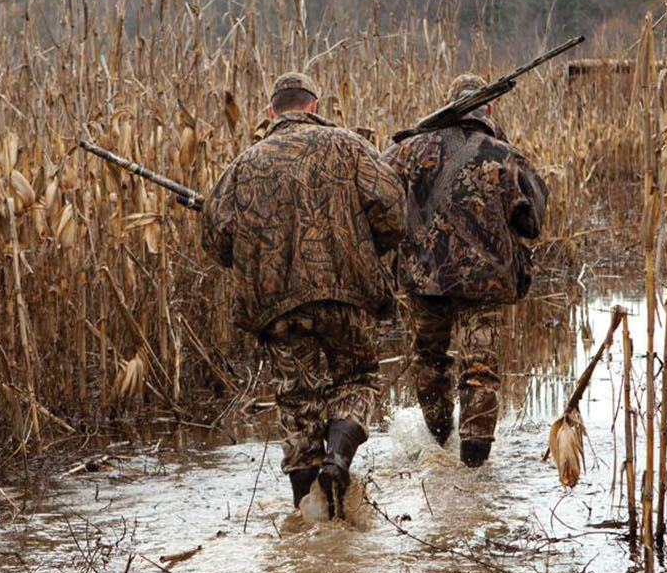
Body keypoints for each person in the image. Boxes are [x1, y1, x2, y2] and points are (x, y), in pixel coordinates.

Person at [204, 72, 406, 516]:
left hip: (277, 306)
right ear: (314, 107)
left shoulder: (243, 164)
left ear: (273, 112)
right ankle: (338, 458)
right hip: (345, 295)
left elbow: (217, 241)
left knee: (298, 399)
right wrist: (367, 249)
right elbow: (393, 209)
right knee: (357, 378)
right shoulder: (349, 146)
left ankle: (307, 510)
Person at [386, 73, 550, 467]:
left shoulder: (407, 152)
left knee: (430, 360)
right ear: (489, 108)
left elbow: (379, 198)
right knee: (480, 367)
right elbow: (533, 224)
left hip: (425, 282)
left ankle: (439, 443)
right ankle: (474, 468)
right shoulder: (506, 156)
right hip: (485, 285)